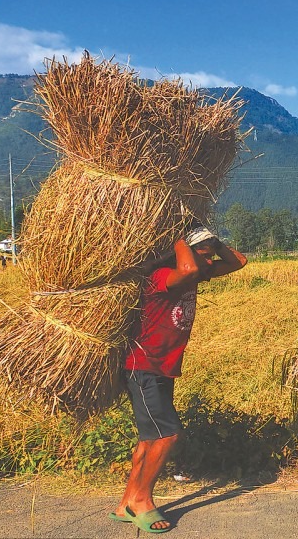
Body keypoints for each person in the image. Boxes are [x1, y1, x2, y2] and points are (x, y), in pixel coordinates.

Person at [110, 225, 246, 534]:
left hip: (162, 367)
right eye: (203, 255)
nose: (207, 262)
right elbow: (186, 267)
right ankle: (141, 501)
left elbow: (238, 261)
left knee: (150, 438)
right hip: (143, 365)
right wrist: (180, 236)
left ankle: (126, 502)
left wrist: (212, 241)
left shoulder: (194, 271)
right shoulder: (161, 276)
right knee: (167, 435)